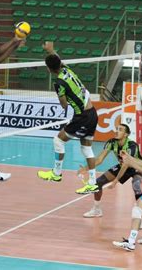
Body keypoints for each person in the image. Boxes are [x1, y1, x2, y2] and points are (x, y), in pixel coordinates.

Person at [37, 41, 100, 195]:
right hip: (93, 113)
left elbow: (64, 105)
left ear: (48, 69)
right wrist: (52, 51)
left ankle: (57, 173)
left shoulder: (58, 83)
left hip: (82, 117)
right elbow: (58, 60)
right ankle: (92, 182)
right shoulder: (68, 71)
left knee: (58, 140)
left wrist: (61, 96)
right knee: (86, 148)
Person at [78, 124, 142, 218]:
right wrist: (85, 168)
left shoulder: (132, 145)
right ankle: (97, 209)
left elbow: (127, 164)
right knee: (98, 183)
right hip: (122, 166)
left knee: (136, 185)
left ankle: (140, 214)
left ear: (126, 134)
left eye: (120, 130)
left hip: (136, 167)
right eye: (117, 129)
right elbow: (100, 159)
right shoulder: (112, 142)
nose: (117, 131)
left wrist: (116, 181)